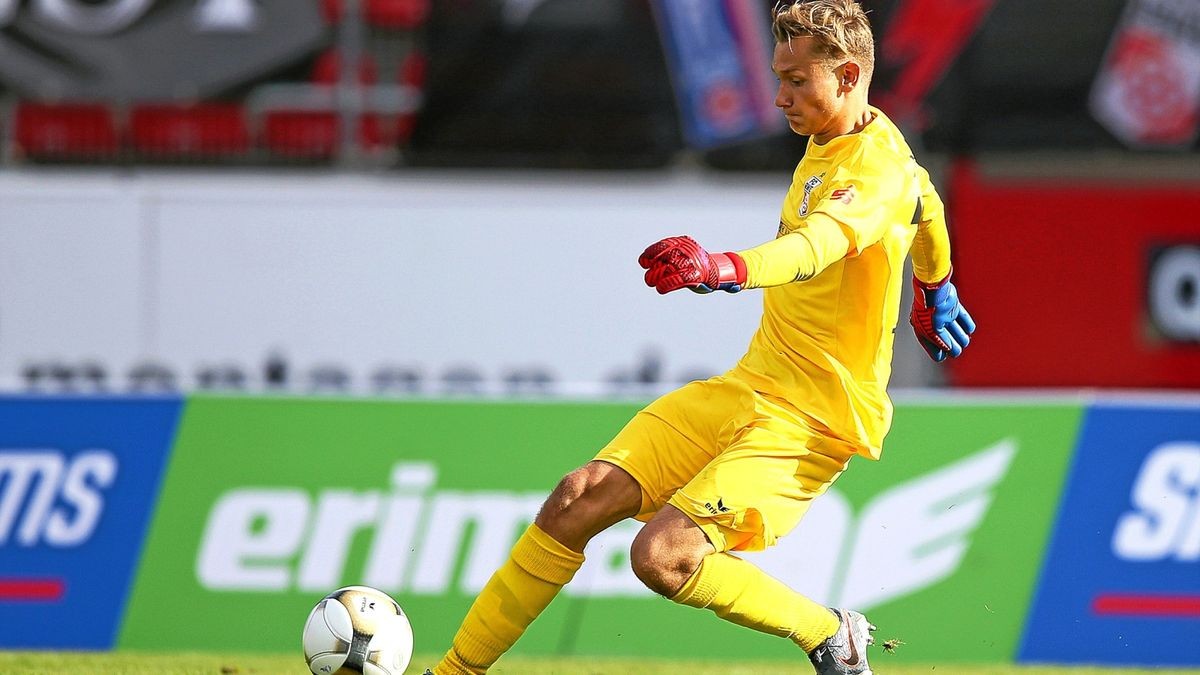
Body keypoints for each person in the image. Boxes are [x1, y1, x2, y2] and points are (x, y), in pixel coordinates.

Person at [428, 1, 975, 673]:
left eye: (798, 80)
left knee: (661, 557)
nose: (780, 97)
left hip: (810, 422)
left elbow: (812, 249)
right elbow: (928, 202)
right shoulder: (861, 140)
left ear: (849, 72)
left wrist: (722, 267)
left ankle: (829, 632)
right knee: (576, 498)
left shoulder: (871, 172)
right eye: (780, 77)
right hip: (750, 389)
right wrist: (935, 283)